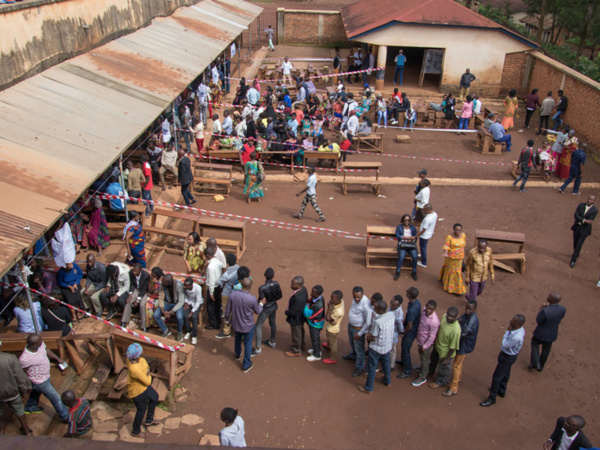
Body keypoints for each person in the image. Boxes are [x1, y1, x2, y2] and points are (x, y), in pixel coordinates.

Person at [19, 333, 69, 420]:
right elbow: (22, 370)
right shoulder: (25, 358)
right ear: (34, 345)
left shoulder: (39, 345)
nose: (42, 343)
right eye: (40, 342)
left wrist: (58, 359)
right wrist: (28, 381)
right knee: (55, 398)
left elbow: (46, 349)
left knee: (35, 393)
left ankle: (30, 407)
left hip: (45, 376)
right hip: (39, 382)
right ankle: (65, 416)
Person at [480, 314, 526, 406]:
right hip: (511, 356)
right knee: (506, 373)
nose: (511, 320)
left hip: (507, 356)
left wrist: (507, 332)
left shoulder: (516, 336)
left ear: (517, 323)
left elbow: (505, 344)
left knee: (497, 377)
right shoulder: (520, 329)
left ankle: (492, 397)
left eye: (513, 320)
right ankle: (501, 390)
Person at [225, 278, 265, 373]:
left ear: (241, 284)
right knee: (248, 344)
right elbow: (257, 311)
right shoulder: (252, 299)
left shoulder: (233, 294)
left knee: (237, 339)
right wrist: (261, 304)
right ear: (250, 287)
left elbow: (227, 310)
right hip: (248, 326)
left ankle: (237, 354)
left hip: (236, 323)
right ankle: (246, 364)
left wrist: (227, 320)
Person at [356, 300, 395, 394]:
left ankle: (369, 388)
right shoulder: (391, 314)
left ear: (381, 311)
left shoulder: (378, 322)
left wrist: (368, 336)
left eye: (376, 308)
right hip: (387, 346)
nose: (374, 309)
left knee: (372, 367)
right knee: (386, 363)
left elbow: (373, 336)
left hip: (377, 348)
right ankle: (387, 381)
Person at [444, 300, 479, 396]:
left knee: (456, 365)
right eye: (466, 308)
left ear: (475, 309)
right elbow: (461, 318)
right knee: (459, 363)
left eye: (470, 309)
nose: (467, 311)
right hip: (462, 343)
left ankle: (453, 388)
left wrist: (454, 330)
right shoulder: (467, 315)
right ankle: (458, 378)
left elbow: (463, 333)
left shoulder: (472, 321)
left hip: (464, 345)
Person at [125, 343, 160, 438]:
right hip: (137, 392)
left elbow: (146, 367)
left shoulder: (134, 359)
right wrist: (147, 373)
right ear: (138, 355)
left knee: (154, 397)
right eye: (141, 351)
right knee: (141, 410)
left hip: (143, 386)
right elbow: (148, 381)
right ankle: (135, 431)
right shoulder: (134, 369)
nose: (143, 351)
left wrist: (146, 372)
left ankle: (149, 419)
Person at [0, 340, 32, 435]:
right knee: (19, 408)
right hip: (11, 391)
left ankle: (0, 431)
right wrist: (24, 390)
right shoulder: (10, 358)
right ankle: (26, 429)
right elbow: (20, 377)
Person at [530, 292, 566, 372]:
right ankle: (540, 366)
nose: (548, 296)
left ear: (552, 300)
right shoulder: (562, 309)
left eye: (549, 296)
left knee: (534, 343)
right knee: (546, 350)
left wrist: (542, 310)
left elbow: (539, 321)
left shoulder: (545, 311)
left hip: (540, 333)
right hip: (552, 334)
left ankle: (535, 362)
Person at [427, 306, 461, 389]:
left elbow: (453, 347)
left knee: (443, 368)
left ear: (456, 317)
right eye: (448, 315)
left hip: (445, 353)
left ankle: (440, 382)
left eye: (452, 316)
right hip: (438, 346)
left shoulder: (456, 330)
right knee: (433, 359)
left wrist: (447, 358)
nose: (449, 317)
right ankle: (431, 370)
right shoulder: (444, 317)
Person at [342, 286, 372, 376]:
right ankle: (353, 355)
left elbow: (368, 322)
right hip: (351, 326)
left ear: (362, 294)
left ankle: (359, 367)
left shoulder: (366, 304)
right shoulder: (355, 300)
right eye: (354, 297)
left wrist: (360, 333)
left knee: (360, 349)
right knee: (352, 343)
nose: (356, 299)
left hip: (358, 330)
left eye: (358, 297)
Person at [409, 300, 440, 385]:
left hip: (425, 343)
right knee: (422, 357)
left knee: (425, 359)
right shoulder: (424, 311)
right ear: (426, 306)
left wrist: (425, 346)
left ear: (434, 310)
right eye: (428, 308)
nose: (429, 311)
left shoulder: (434, 322)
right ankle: (423, 368)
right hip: (420, 339)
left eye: (431, 309)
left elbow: (432, 337)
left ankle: (422, 377)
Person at [254, 268, 283, 354]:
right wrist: (273, 299)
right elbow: (280, 296)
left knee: (258, 326)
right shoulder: (276, 284)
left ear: (265, 276)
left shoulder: (261, 288)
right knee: (272, 323)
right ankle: (272, 342)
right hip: (273, 306)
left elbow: (262, 299)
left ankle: (258, 347)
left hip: (266, 308)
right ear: (273, 276)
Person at [398, 287, 421, 378]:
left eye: (408, 292)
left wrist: (403, 333)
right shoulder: (417, 302)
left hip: (410, 333)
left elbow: (409, 326)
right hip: (413, 330)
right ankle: (403, 361)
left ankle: (407, 370)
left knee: (405, 350)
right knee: (404, 349)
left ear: (409, 295)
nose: (406, 292)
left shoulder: (412, 310)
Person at [154, 274, 185, 341]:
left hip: (177, 304)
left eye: (164, 282)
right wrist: (162, 309)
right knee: (156, 315)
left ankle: (179, 332)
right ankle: (165, 330)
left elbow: (181, 302)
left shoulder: (179, 286)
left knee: (179, 317)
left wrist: (171, 312)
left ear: (169, 283)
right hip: (167, 303)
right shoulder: (162, 285)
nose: (162, 283)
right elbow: (161, 297)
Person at [570, 195, 597, 268]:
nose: (589, 200)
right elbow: (576, 215)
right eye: (589, 199)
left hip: (585, 230)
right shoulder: (581, 205)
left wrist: (581, 219)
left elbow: (590, 221)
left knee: (579, 244)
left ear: (594, 201)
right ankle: (576, 253)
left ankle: (573, 259)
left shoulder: (595, 210)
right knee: (575, 242)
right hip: (577, 227)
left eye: (591, 200)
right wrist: (584, 220)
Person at [216, 253, 239, 339]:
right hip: (236, 293)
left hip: (227, 294)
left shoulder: (227, 274)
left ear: (227, 263)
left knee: (227, 312)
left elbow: (219, 282)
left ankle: (226, 331)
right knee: (235, 309)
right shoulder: (238, 268)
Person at [439, 223, 467, 295]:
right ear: (453, 229)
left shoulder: (463, 235)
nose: (458, 232)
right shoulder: (449, 237)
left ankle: (458, 289)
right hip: (451, 258)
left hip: (459, 258)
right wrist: (445, 252)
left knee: (458, 272)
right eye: (456, 230)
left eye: (459, 230)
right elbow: (446, 245)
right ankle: (451, 288)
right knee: (451, 272)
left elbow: (463, 245)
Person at [284, 276, 308, 357]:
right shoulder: (303, 289)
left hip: (296, 318)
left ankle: (296, 350)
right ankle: (301, 344)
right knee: (300, 331)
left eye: (293, 284)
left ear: (299, 286)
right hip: (301, 316)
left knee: (296, 334)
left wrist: (287, 312)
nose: (291, 285)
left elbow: (293, 312)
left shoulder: (298, 298)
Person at [122, 263, 150, 329]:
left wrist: (137, 300)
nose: (134, 272)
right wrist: (130, 293)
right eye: (133, 270)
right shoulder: (131, 273)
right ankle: (124, 321)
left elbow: (144, 289)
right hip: (136, 290)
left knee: (142, 305)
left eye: (136, 271)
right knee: (128, 301)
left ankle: (144, 326)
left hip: (143, 292)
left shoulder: (146, 275)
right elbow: (132, 284)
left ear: (140, 270)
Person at [322, 290, 345, 364]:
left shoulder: (338, 311)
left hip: (333, 330)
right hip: (331, 326)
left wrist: (328, 307)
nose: (331, 300)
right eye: (331, 298)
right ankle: (328, 346)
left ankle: (333, 358)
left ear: (338, 299)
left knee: (333, 343)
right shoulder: (340, 301)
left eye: (333, 299)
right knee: (329, 339)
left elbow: (328, 318)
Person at [304, 285, 326, 362]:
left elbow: (308, 315)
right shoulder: (318, 298)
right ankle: (317, 350)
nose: (311, 293)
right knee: (315, 338)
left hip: (316, 324)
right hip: (315, 322)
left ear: (318, 294)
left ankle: (316, 355)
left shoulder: (318, 305)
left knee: (315, 338)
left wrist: (306, 306)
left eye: (313, 292)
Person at [204, 246, 224, 330]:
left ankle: (214, 323)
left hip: (213, 287)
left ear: (208, 256)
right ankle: (218, 320)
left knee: (210, 306)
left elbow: (211, 280)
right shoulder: (218, 262)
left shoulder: (210, 267)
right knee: (217, 304)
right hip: (218, 286)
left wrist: (211, 293)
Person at [394, 214, 418, 281]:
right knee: (401, 257)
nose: (407, 222)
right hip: (403, 245)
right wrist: (406, 237)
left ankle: (414, 272)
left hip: (411, 244)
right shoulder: (399, 227)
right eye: (405, 220)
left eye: (408, 220)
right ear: (402, 221)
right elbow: (398, 236)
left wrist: (412, 239)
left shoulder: (412, 228)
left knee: (415, 257)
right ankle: (397, 272)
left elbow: (415, 236)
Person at [416, 204, 437, 269]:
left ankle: (423, 262)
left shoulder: (427, 219)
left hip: (424, 235)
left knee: (423, 248)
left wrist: (416, 235)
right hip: (429, 233)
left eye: (424, 210)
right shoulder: (434, 214)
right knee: (423, 247)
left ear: (428, 210)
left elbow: (423, 230)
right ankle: (422, 256)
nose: (423, 211)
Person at [183, 278, 203, 345]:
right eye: (184, 285)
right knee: (185, 315)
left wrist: (192, 312)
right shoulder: (185, 288)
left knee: (194, 317)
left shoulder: (198, 288)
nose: (184, 287)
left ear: (191, 285)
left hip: (197, 303)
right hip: (189, 302)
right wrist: (186, 302)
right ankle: (189, 331)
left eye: (186, 286)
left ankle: (194, 335)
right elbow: (185, 295)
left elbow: (198, 301)